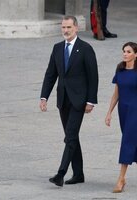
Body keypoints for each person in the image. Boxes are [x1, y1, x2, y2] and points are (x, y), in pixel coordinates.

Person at [39, 16, 98, 187]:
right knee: (72, 137)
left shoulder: (85, 49)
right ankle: (78, 174)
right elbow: (51, 74)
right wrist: (44, 97)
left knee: (70, 136)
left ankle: (60, 173)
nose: (65, 30)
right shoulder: (57, 48)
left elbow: (93, 77)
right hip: (63, 100)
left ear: (76, 28)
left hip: (79, 101)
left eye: (69, 27)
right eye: (63, 27)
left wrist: (91, 101)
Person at [105, 42, 137, 193]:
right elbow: (116, 93)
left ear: (136, 55)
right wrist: (109, 112)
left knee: (127, 141)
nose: (125, 54)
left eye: (128, 51)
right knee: (132, 140)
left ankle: (121, 178)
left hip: (136, 111)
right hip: (123, 111)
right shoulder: (120, 70)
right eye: (124, 51)